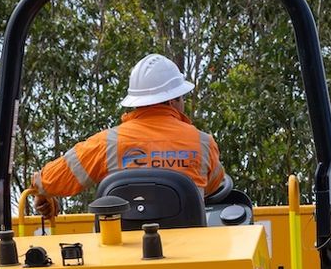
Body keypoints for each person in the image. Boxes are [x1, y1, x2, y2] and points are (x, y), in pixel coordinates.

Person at [30, 53, 227, 217]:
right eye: (182, 96)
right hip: (188, 250)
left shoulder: (107, 143)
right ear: (173, 100)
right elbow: (212, 186)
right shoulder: (203, 143)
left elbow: (47, 180)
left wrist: (43, 193)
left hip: (123, 250)